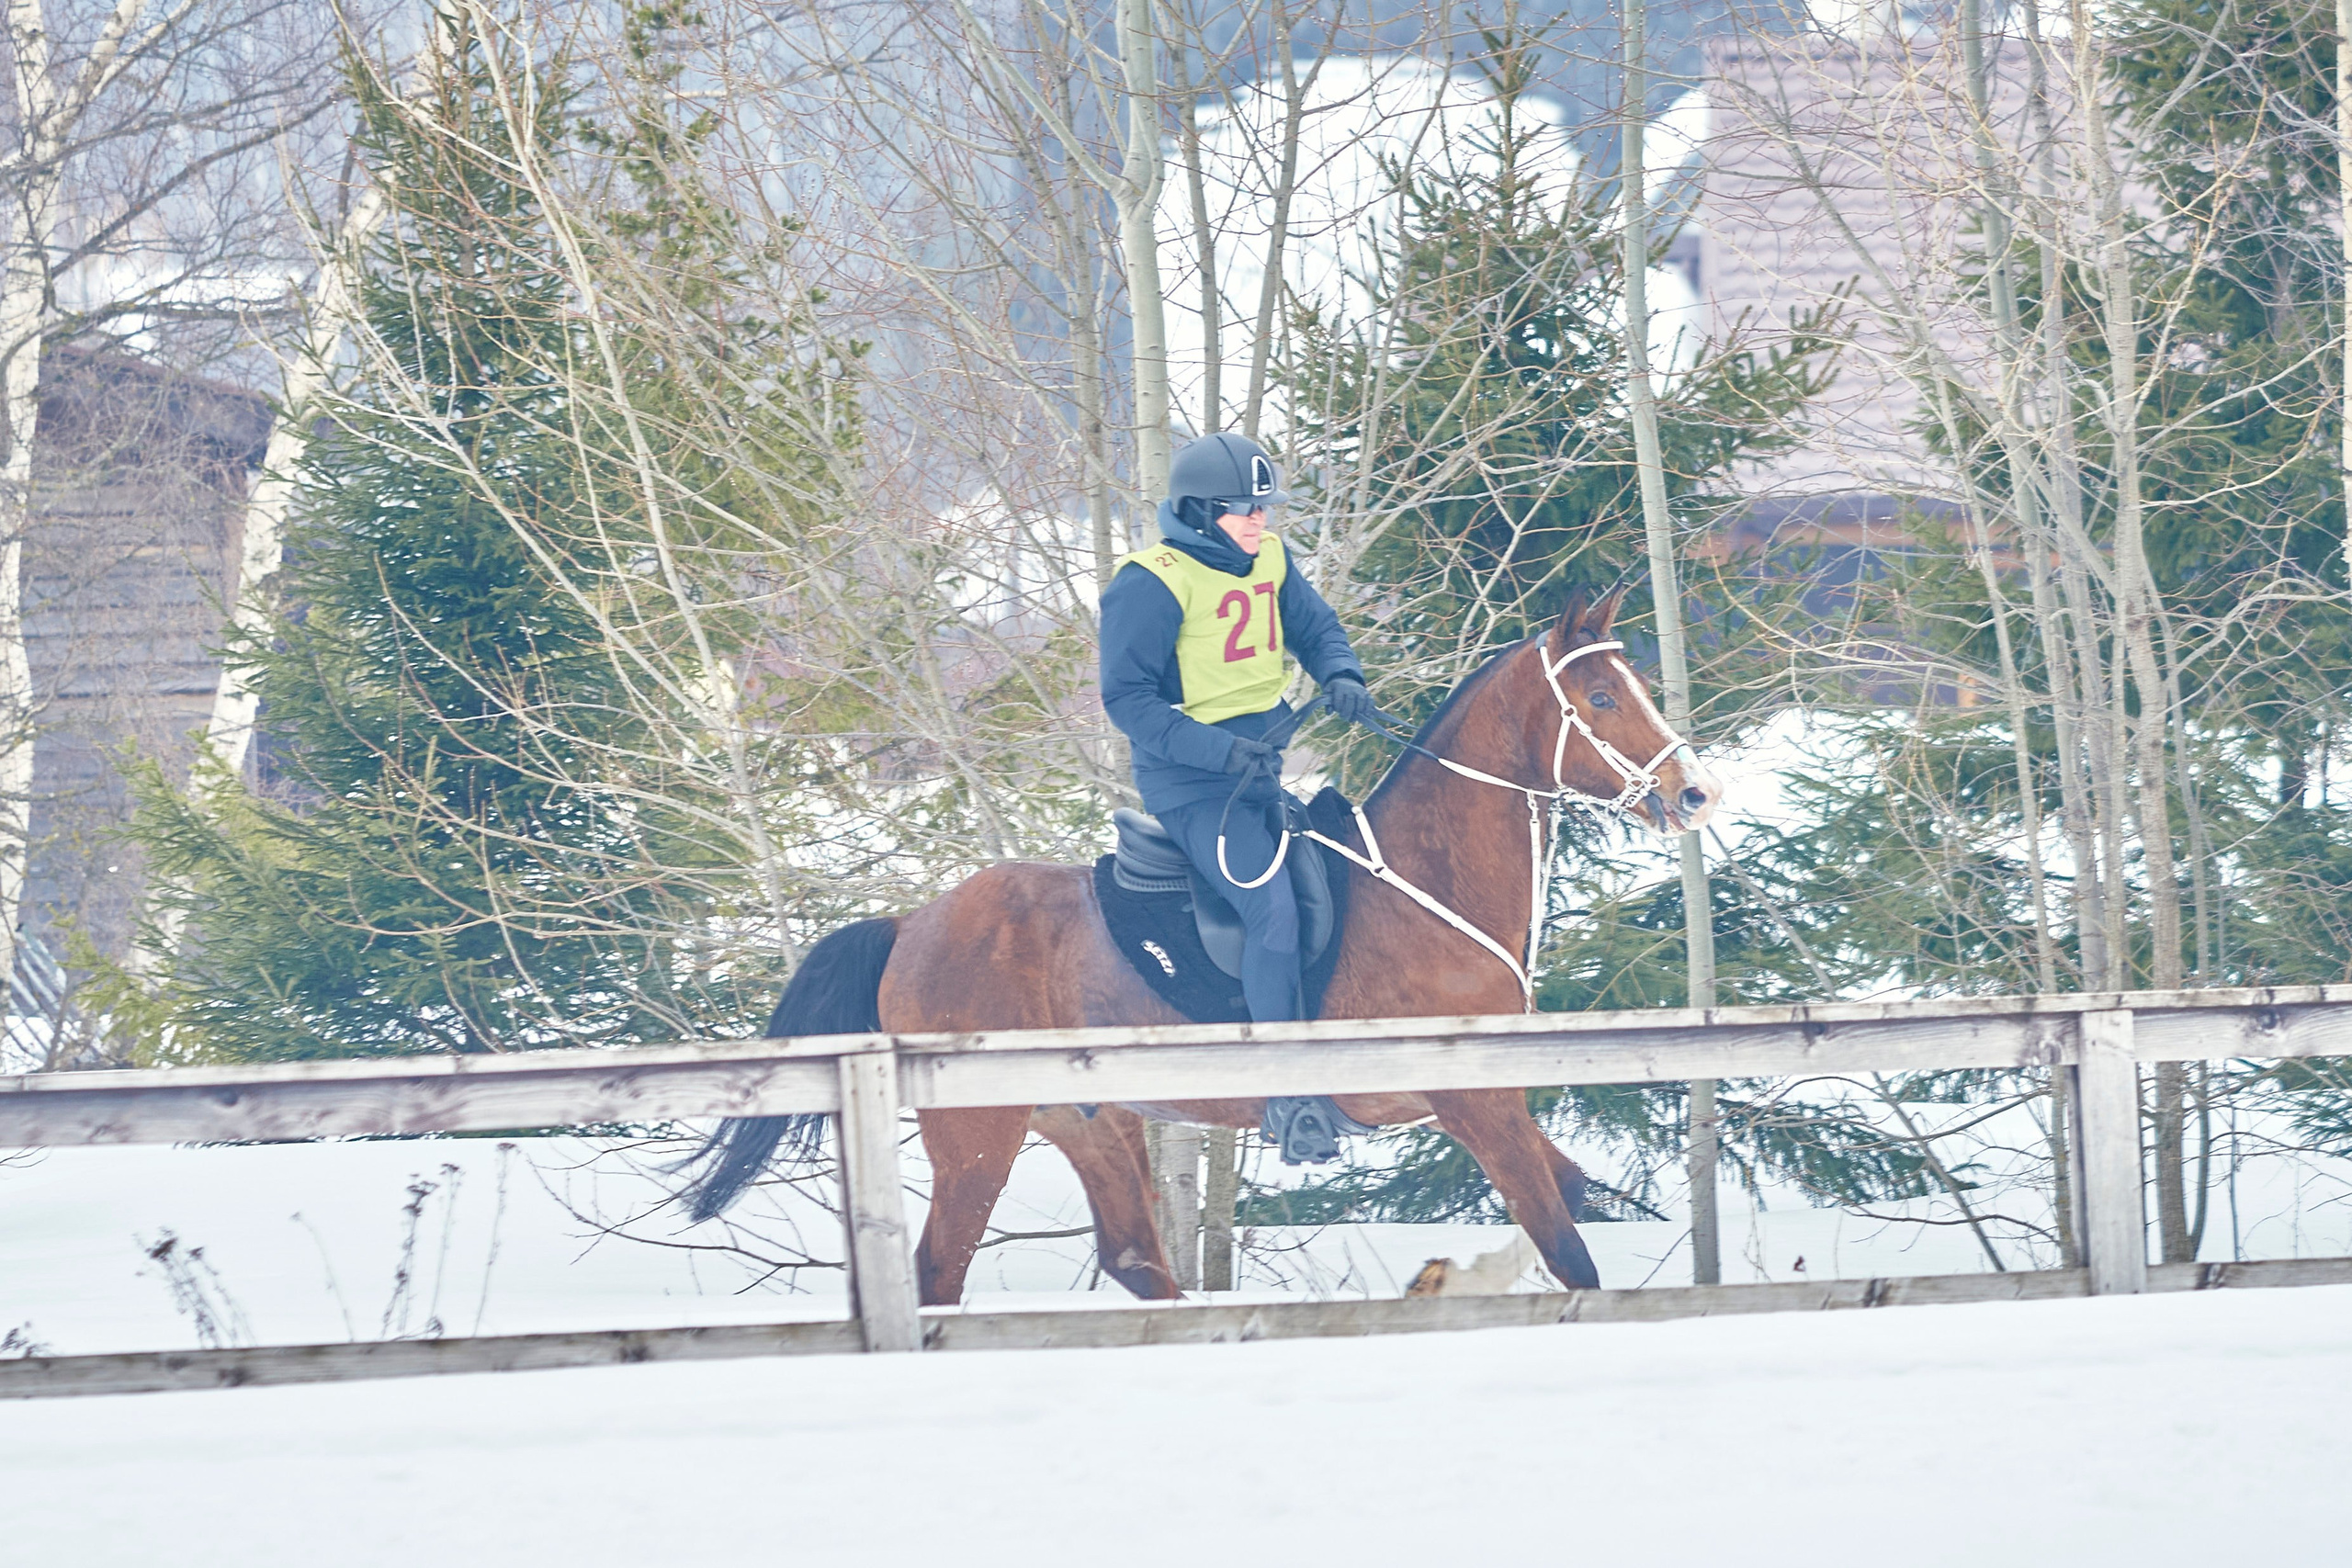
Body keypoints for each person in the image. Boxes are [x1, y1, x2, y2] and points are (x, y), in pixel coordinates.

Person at [1099, 433, 1381, 1163]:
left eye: (1264, 506)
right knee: (1272, 909)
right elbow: (1126, 699)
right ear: (1200, 513)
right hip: (1191, 783)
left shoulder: (1271, 557)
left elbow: (1316, 628)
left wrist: (1342, 674)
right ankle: (1286, 1096)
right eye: (1243, 509)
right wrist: (1217, 750)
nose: (1260, 519)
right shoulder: (1150, 583)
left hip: (1259, 768)